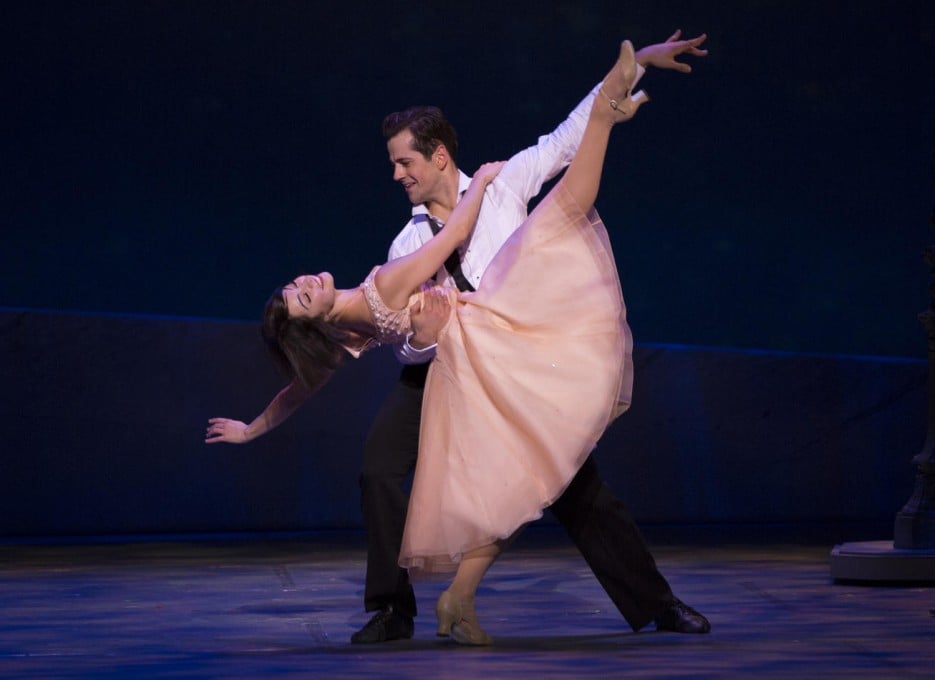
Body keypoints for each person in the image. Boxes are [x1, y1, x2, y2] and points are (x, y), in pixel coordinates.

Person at [207, 31, 710, 646]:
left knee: (577, 485)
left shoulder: (501, 186)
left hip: (511, 361)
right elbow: (399, 343)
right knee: (378, 471)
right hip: (434, 369)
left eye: (405, 163)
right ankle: (395, 609)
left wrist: (633, 70)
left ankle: (655, 603)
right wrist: (422, 340)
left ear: (438, 156)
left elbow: (566, 138)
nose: (397, 175)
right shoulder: (405, 245)